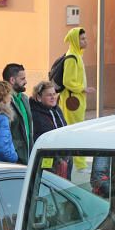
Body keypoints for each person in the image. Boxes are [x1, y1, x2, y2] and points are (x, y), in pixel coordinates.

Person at [57, 28, 94, 169]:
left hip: (77, 100)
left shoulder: (77, 55)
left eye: (85, 38)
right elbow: (68, 81)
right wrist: (83, 89)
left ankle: (78, 163)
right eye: (82, 39)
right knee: (76, 132)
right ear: (74, 40)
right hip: (73, 101)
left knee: (76, 131)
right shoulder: (72, 57)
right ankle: (80, 165)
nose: (85, 41)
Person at [29, 81, 69, 174]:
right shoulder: (35, 114)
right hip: (48, 160)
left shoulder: (56, 109)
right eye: (49, 95)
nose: (53, 97)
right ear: (39, 97)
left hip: (63, 158)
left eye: (54, 94)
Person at [2, 63, 33, 164]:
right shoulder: (3, 101)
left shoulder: (24, 98)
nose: (26, 82)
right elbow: (3, 134)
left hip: (27, 157)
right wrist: (14, 155)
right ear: (12, 80)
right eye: (22, 79)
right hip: (14, 159)